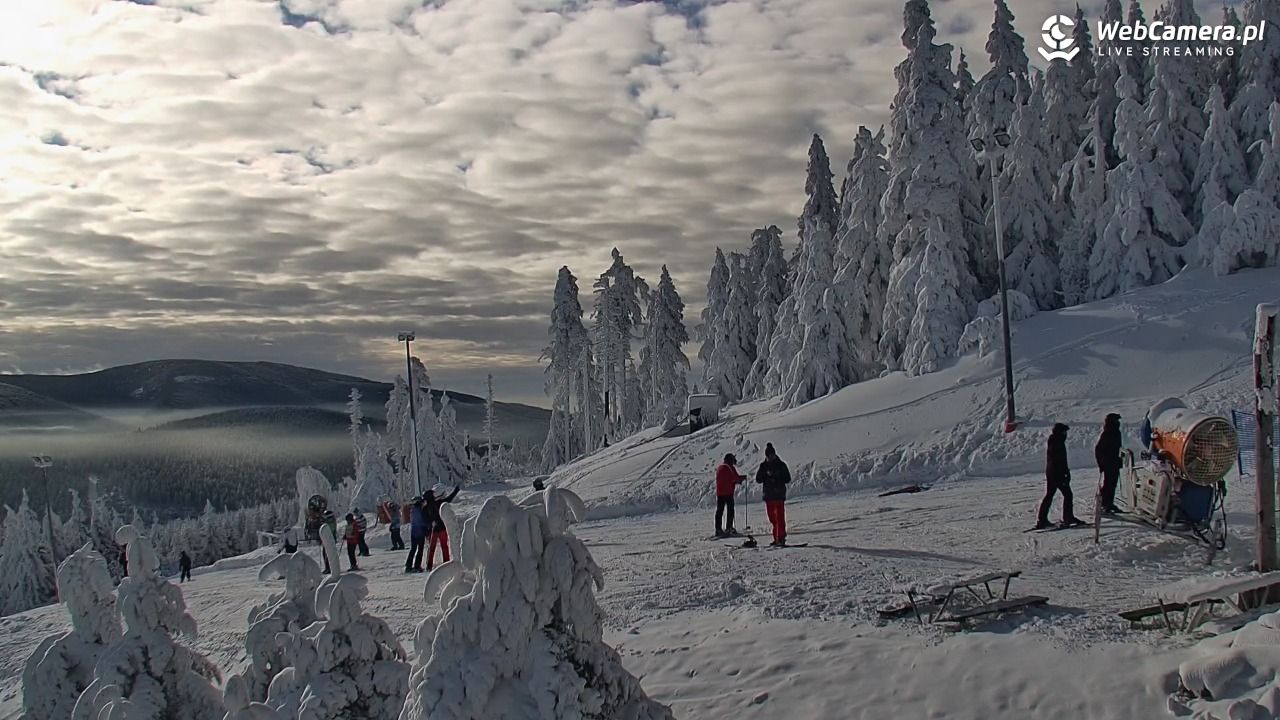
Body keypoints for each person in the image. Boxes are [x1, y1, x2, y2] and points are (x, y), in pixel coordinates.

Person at [1037, 423, 1086, 529]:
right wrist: (1064, 474)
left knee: (1049, 494)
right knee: (1068, 494)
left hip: (1051, 472)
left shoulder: (1054, 441)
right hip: (1056, 473)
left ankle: (1042, 519)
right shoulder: (1057, 443)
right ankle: (1068, 517)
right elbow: (1059, 461)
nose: (1065, 434)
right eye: (1064, 432)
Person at [756, 443, 792, 546]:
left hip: (779, 494)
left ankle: (780, 537)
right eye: (768, 456)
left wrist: (777, 476)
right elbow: (758, 479)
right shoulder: (763, 466)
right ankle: (777, 537)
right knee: (772, 518)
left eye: (771, 455)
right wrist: (765, 474)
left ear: (774, 455)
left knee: (779, 517)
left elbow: (787, 479)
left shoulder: (781, 465)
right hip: (768, 495)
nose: (770, 458)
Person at [423, 485, 461, 570]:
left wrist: (427, 530)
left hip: (434, 529)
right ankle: (446, 563)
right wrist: (455, 491)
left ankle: (429, 566)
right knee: (444, 546)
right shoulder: (439, 503)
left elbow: (426, 520)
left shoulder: (426, 508)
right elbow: (449, 499)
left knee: (432, 548)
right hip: (442, 528)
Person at [1094, 413, 1124, 515]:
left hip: (1114, 462)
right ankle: (1104, 504)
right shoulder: (1107, 433)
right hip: (1108, 463)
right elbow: (1098, 449)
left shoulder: (1116, 432)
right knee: (1108, 484)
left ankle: (1109, 503)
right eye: (1116, 421)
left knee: (1112, 484)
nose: (1118, 423)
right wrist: (1101, 463)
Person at [713, 453, 746, 537]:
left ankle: (718, 529)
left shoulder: (720, 467)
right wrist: (742, 478)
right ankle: (729, 528)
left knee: (719, 511)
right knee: (730, 510)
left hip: (720, 493)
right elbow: (736, 478)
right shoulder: (730, 468)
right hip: (728, 493)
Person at [405, 496, 427, 573]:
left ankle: (408, 565)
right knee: (420, 549)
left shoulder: (413, 510)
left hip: (413, 532)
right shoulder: (420, 510)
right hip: (420, 532)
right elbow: (421, 522)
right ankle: (417, 566)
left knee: (413, 549)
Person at [321, 509, 338, 574]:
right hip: (328, 541)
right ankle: (328, 567)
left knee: (327, 554)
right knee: (326, 554)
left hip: (328, 541)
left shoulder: (330, 524)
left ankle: (328, 568)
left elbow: (328, 531)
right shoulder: (332, 522)